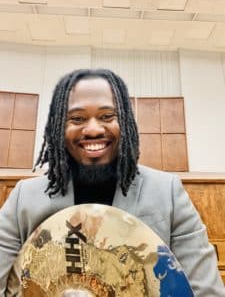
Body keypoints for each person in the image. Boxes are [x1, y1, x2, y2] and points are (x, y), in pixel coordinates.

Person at [0, 69, 224, 296]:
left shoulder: (168, 194)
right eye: (77, 118)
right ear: (59, 127)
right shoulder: (24, 197)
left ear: (125, 122)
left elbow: (206, 291)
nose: (94, 129)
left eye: (107, 116)